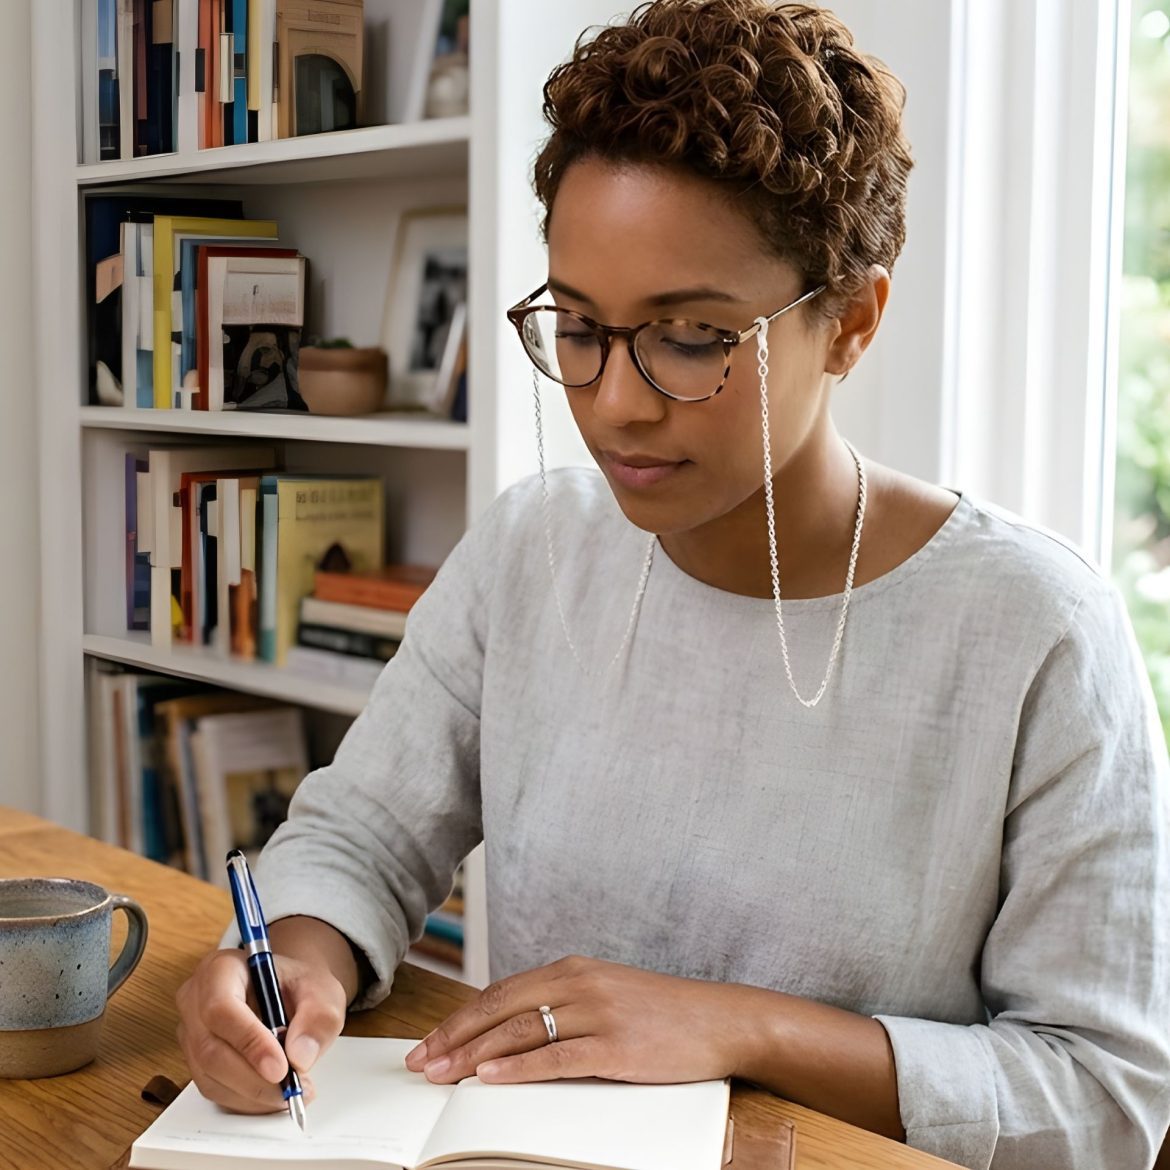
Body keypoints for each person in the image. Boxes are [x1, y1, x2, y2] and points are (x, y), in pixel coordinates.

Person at [175, 3, 1170, 1167]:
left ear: (850, 323)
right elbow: (361, 837)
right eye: (581, 327)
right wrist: (296, 959)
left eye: (691, 336)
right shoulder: (534, 547)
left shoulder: (1034, 628)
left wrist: (735, 1027)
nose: (615, 401)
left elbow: (1103, 1095)